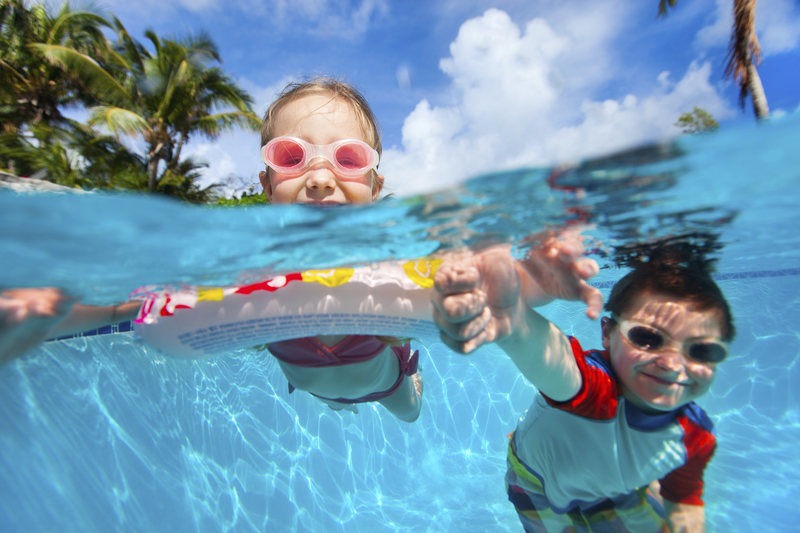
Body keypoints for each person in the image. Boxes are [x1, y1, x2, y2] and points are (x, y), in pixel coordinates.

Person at [0, 78, 423, 422]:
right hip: (311, 382)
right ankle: (334, 401)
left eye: (347, 158)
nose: (319, 177)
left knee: (410, 413)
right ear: (267, 185)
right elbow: (124, 305)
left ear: (374, 188)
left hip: (386, 386)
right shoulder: (248, 269)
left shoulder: (387, 267)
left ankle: (410, 378)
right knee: (330, 400)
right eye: (292, 156)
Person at [432, 230, 734, 532]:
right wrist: (512, 319)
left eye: (701, 350)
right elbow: (555, 361)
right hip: (539, 486)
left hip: (615, 489)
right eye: (647, 338)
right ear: (607, 333)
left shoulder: (696, 436)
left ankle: (638, 482)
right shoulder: (596, 391)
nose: (671, 363)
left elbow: (683, 495)